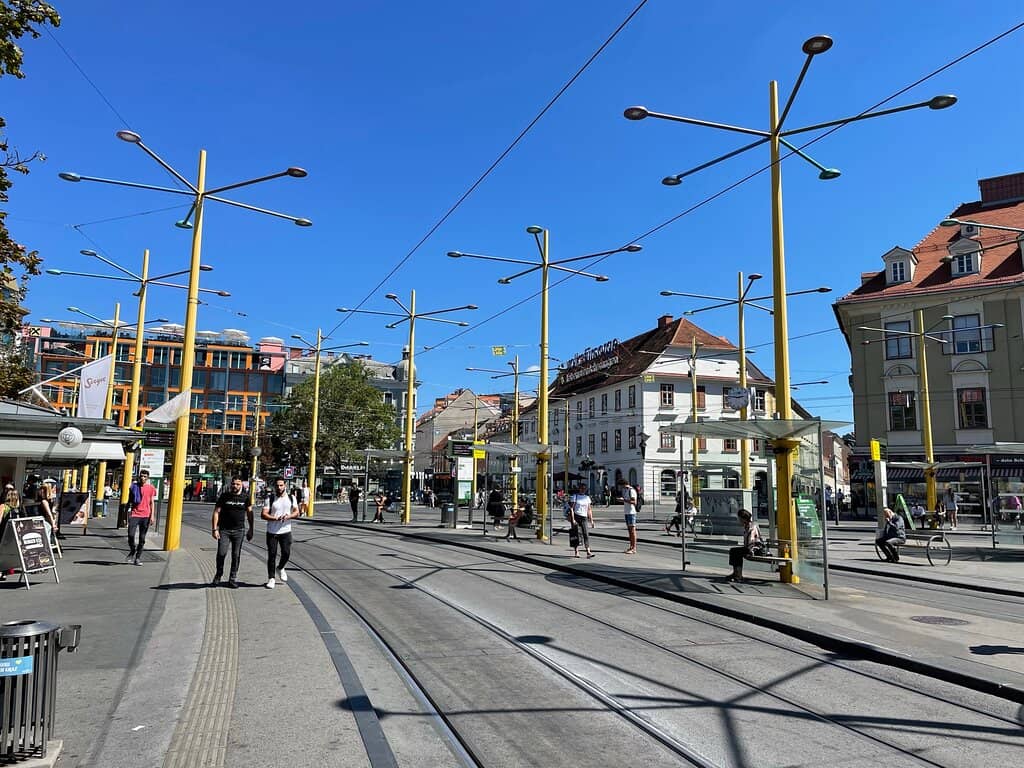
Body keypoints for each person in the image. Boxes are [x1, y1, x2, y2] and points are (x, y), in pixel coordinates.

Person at [211, 476, 253, 588]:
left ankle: (232, 578)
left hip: (239, 531)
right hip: (224, 530)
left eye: (238, 484)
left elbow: (250, 513)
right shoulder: (224, 496)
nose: (235, 486)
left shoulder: (245, 497)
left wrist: (251, 529)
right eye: (233, 484)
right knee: (221, 553)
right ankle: (218, 574)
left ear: (242, 485)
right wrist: (214, 529)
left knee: (236, 555)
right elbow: (216, 512)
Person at [261, 477, 299, 589]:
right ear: (274, 487)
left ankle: (281, 567)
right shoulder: (270, 498)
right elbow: (264, 514)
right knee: (272, 555)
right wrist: (275, 518)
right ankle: (271, 578)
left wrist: (289, 516)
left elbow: (297, 512)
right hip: (272, 531)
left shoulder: (291, 498)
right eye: (277, 485)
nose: (279, 487)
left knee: (286, 553)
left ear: (285, 486)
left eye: (281, 485)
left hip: (286, 531)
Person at [126, 470, 158, 566]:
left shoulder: (151, 488)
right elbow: (129, 501)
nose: (142, 478)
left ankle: (138, 558)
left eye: (144, 476)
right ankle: (132, 549)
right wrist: (125, 515)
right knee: (131, 535)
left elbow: (152, 502)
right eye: (141, 476)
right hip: (135, 514)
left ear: (147, 478)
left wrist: (152, 516)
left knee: (142, 538)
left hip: (145, 515)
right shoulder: (133, 487)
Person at [727, 508, 763, 582]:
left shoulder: (752, 527)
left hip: (755, 549)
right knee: (733, 551)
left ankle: (738, 575)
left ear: (744, 519)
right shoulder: (746, 526)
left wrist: (749, 549)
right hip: (750, 547)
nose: (739, 520)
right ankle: (736, 573)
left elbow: (753, 541)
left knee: (736, 552)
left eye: (739, 518)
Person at [568, 483, 595, 559]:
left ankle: (588, 551)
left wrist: (591, 520)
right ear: (579, 488)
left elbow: (589, 509)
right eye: (582, 488)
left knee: (586, 534)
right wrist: (573, 519)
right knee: (576, 535)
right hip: (576, 517)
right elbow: (571, 509)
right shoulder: (575, 497)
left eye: (584, 488)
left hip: (584, 517)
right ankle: (576, 551)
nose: (583, 490)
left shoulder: (587, 498)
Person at [619, 479, 638, 554]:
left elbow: (634, 502)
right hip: (627, 512)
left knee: (632, 531)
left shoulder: (631, 490)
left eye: (621, 486)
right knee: (630, 531)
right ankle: (631, 547)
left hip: (631, 513)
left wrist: (623, 500)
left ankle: (634, 548)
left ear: (623, 484)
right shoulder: (626, 490)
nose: (620, 488)